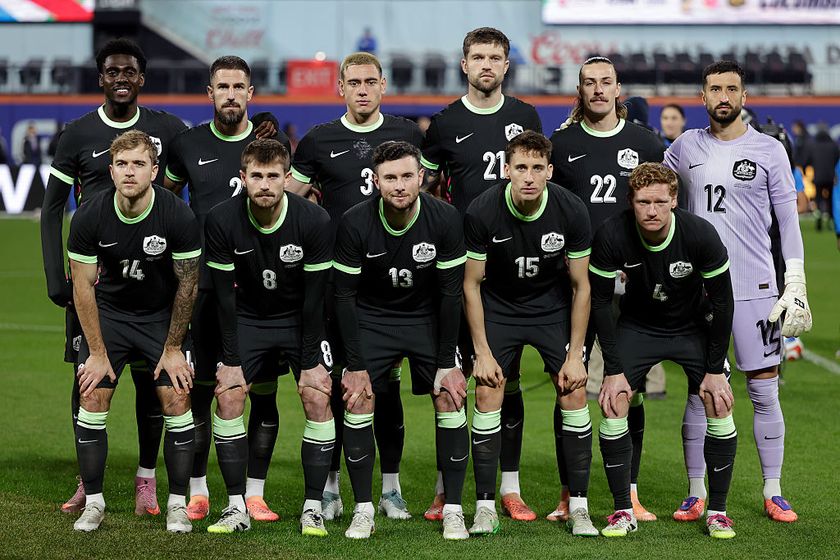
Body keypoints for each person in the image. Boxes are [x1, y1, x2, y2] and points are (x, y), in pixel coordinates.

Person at [40, 37, 188, 518]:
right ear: (101, 77)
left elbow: (195, 186)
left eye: (130, 71)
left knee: (155, 382)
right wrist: (53, 275)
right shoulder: (78, 133)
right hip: (94, 276)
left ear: (141, 79)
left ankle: (147, 478)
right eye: (112, 71)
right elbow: (50, 209)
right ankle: (89, 481)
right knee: (88, 374)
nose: (121, 78)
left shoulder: (167, 128)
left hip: (155, 278)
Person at [664, 60, 812, 523]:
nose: (723, 96)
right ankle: (695, 491)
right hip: (699, 293)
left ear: (744, 97)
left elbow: (788, 220)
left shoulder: (769, 150)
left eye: (731, 89)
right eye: (714, 89)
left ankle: (773, 489)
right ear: (702, 97)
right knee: (697, 390)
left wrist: (796, 279)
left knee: (764, 391)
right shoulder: (684, 147)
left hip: (756, 289)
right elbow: (652, 193)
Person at [287, 51, 424, 521]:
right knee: (343, 385)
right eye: (354, 82)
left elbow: (433, 195)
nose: (362, 89)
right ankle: (329, 486)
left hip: (394, 288)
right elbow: (290, 200)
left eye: (370, 82)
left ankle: (391, 488)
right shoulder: (319, 140)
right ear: (339, 88)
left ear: (384, 86)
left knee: (385, 390)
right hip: (339, 283)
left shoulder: (407, 134)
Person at [420, 26, 543, 522]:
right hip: (461, 268)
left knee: (505, 382)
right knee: (452, 381)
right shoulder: (446, 123)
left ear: (507, 65)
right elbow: (426, 188)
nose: (487, 64)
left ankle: (508, 488)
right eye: (478, 56)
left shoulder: (526, 116)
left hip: (515, 273)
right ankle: (445, 488)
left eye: (496, 56)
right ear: (464, 64)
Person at [164, 55, 290, 523]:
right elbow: (169, 205)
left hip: (261, 293)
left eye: (240, 86)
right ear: (210, 92)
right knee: (199, 391)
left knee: (263, 393)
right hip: (202, 292)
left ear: (251, 93)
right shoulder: (186, 145)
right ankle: (198, 490)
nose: (231, 94)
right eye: (223, 86)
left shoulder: (269, 145)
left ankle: (253, 494)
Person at [590, 162, 737, 539]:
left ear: (674, 200)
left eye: (659, 201)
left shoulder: (701, 234)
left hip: (692, 326)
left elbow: (723, 303)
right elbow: (601, 304)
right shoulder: (611, 234)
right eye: (642, 202)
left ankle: (717, 511)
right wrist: (612, 368)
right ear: (631, 202)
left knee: (718, 399)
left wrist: (716, 368)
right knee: (614, 399)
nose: (651, 210)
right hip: (639, 325)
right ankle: (623, 509)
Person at [332, 141, 469, 540]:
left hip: (427, 319)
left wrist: (447, 361)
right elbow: (343, 296)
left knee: (449, 394)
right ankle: (363, 509)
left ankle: (454, 509)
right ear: (375, 181)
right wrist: (355, 365)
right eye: (389, 177)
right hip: (374, 320)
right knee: (358, 398)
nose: (399, 185)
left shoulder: (444, 219)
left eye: (407, 176)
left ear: (421, 177)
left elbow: (450, 295)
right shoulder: (355, 222)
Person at [548, 55, 665, 523]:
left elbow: (657, 209)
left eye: (606, 83)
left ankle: (630, 492)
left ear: (619, 89)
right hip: (575, 287)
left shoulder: (645, 141)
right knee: (570, 384)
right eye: (590, 83)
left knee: (627, 387)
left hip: (631, 288)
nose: (598, 90)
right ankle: (567, 493)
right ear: (580, 90)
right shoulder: (562, 143)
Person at [66, 130, 201, 533]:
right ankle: (94, 502)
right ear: (110, 171)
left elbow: (188, 284)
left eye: (139, 164)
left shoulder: (177, 214)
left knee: (177, 398)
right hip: (111, 315)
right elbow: (82, 286)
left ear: (154, 171)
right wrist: (96, 351)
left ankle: (177, 504)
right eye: (122, 164)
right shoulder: (89, 214)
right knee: (91, 395)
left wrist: (174, 347)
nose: (130, 172)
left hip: (160, 316)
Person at [463, 131, 594, 537]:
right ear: (506, 170)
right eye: (521, 167)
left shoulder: (571, 210)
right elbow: (471, 284)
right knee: (488, 389)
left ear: (550, 171)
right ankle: (485, 506)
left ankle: (579, 507)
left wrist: (575, 354)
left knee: (573, 389)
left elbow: (581, 286)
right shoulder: (482, 210)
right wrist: (481, 351)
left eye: (538, 168)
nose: (529, 177)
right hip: (500, 308)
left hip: (550, 308)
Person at [204, 139, 334, 535]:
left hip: (299, 319)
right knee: (228, 396)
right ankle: (235, 506)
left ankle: (313, 507)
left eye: (273, 176)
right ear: (242, 178)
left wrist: (311, 362)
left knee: (317, 394)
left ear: (287, 179)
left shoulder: (314, 221)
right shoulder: (221, 219)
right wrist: (230, 359)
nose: (264, 184)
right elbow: (224, 299)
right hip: (248, 318)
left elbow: (316, 300)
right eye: (256, 176)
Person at [801, 125, 839, 231]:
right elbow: (837, 160)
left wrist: (804, 170)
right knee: (830, 199)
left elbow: (807, 160)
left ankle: (818, 215)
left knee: (818, 198)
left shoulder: (814, 146)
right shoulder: (833, 145)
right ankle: (831, 219)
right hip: (830, 177)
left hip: (818, 177)